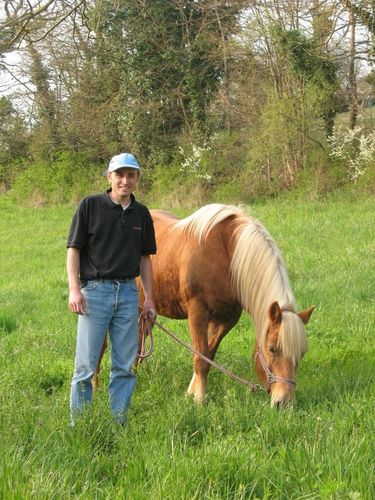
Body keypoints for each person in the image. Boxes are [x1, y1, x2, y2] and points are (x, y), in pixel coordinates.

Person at [67, 152, 156, 425]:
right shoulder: (90, 206)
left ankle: (119, 422)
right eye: (119, 175)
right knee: (85, 366)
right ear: (109, 177)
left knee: (124, 366)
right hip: (95, 292)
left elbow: (145, 258)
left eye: (131, 175)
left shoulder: (141, 214)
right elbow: (74, 249)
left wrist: (149, 298)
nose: (125, 181)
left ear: (137, 178)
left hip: (129, 293)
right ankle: (80, 425)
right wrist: (74, 289)